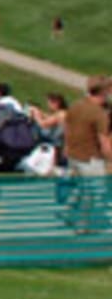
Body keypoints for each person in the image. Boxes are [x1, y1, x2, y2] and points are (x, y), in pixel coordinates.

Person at [61, 76, 111, 233]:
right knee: (95, 192)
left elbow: (67, 128)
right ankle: (82, 225)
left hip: (74, 154)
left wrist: (67, 147)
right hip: (91, 158)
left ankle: (68, 211)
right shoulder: (99, 114)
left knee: (81, 187)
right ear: (104, 92)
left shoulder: (75, 106)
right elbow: (104, 142)